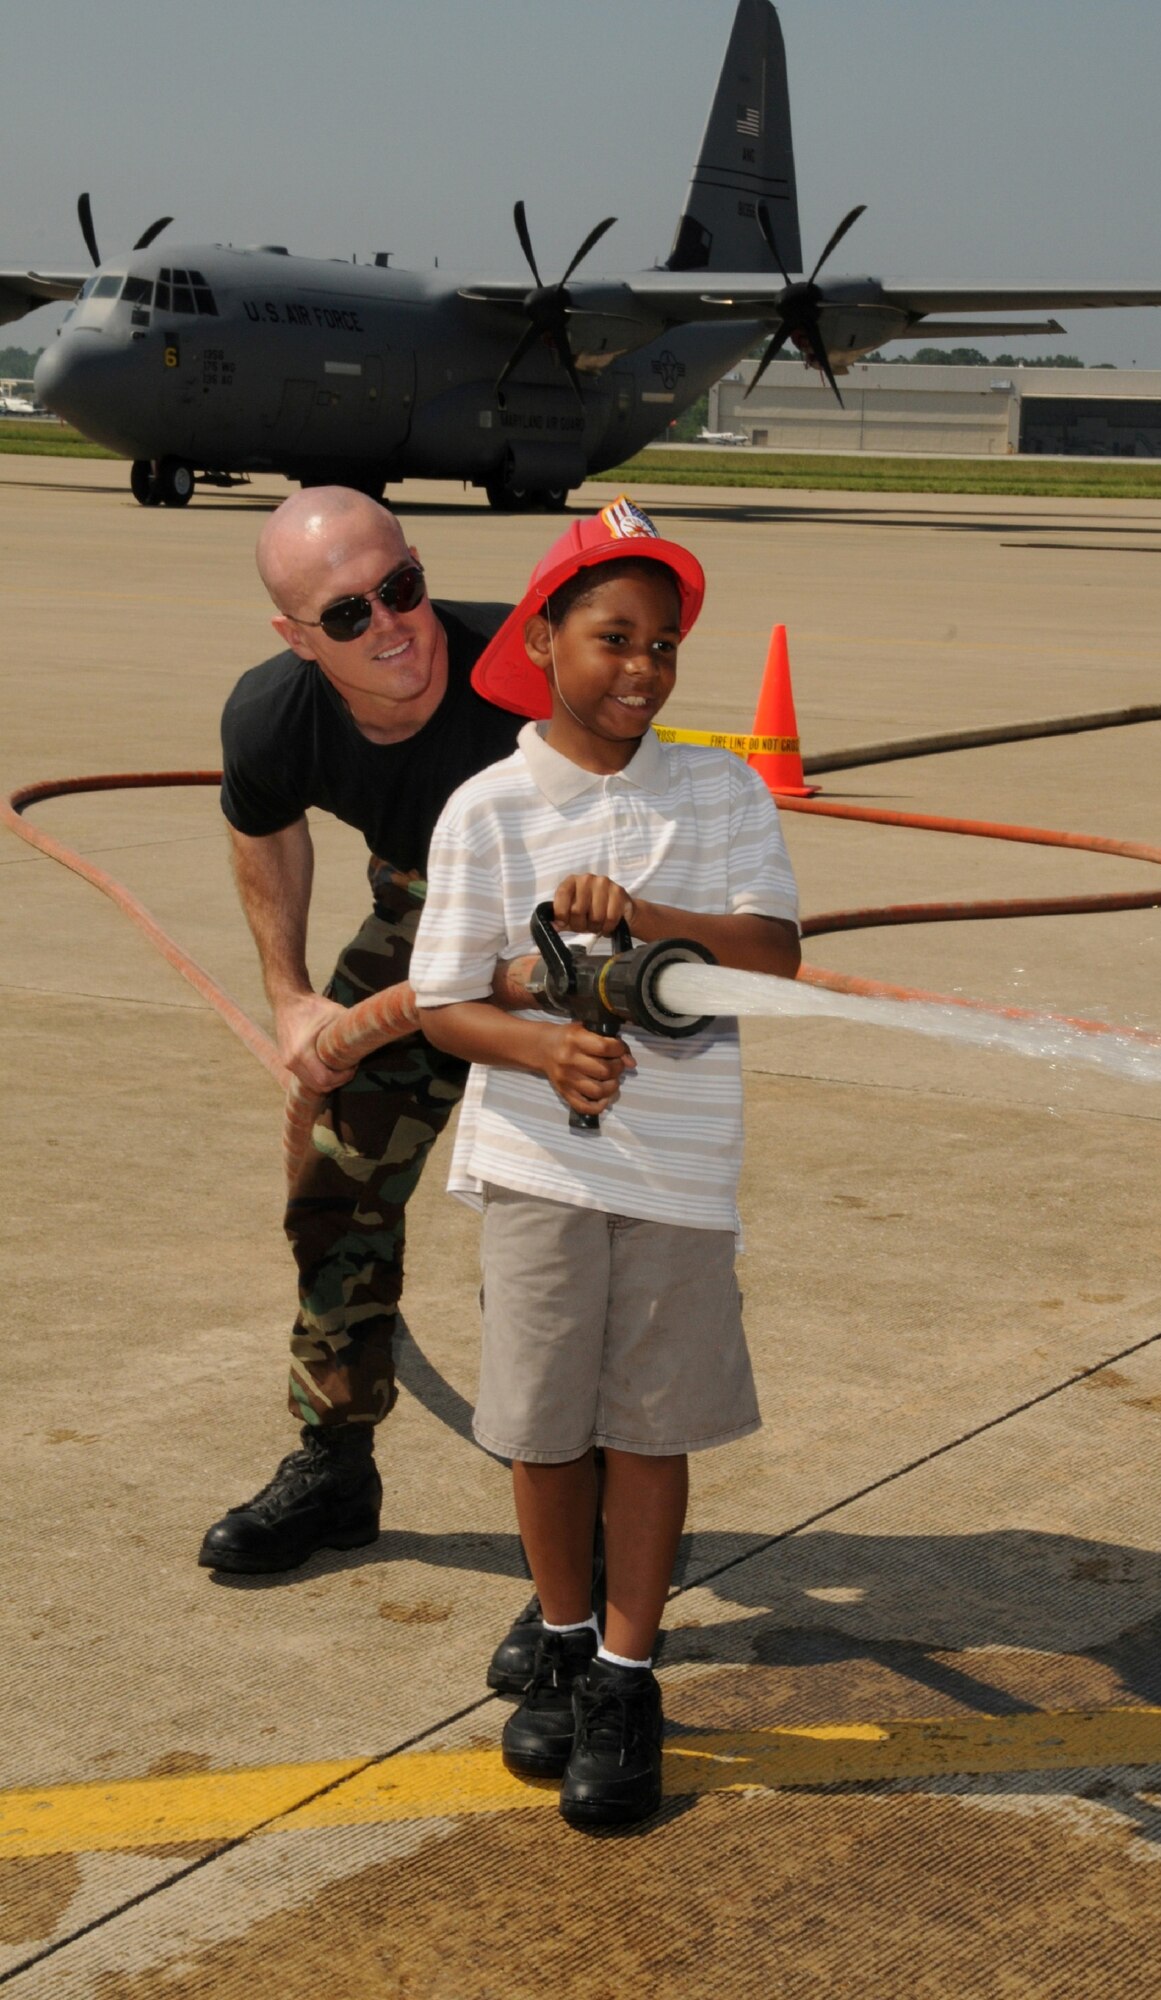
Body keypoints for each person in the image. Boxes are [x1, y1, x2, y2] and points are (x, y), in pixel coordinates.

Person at [410, 496, 801, 1828]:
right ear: (545, 640)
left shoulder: (723, 790)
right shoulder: (490, 808)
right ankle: (568, 1640)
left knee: (649, 1429)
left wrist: (644, 915)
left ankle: (630, 1678)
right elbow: (444, 999)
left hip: (679, 1175)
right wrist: (544, 1053)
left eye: (666, 643)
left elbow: (772, 956)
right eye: (613, 638)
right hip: (539, 1171)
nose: (642, 670)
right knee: (539, 1425)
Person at [199, 492, 542, 1675]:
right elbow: (263, 822)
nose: (395, 625)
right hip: (423, 911)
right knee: (334, 1187)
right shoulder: (273, 712)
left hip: (564, 945)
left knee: (551, 1234)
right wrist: (293, 994)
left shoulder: (525, 671)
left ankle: (576, 1556)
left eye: (403, 587)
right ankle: (333, 1466)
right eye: (349, 612)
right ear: (299, 637)